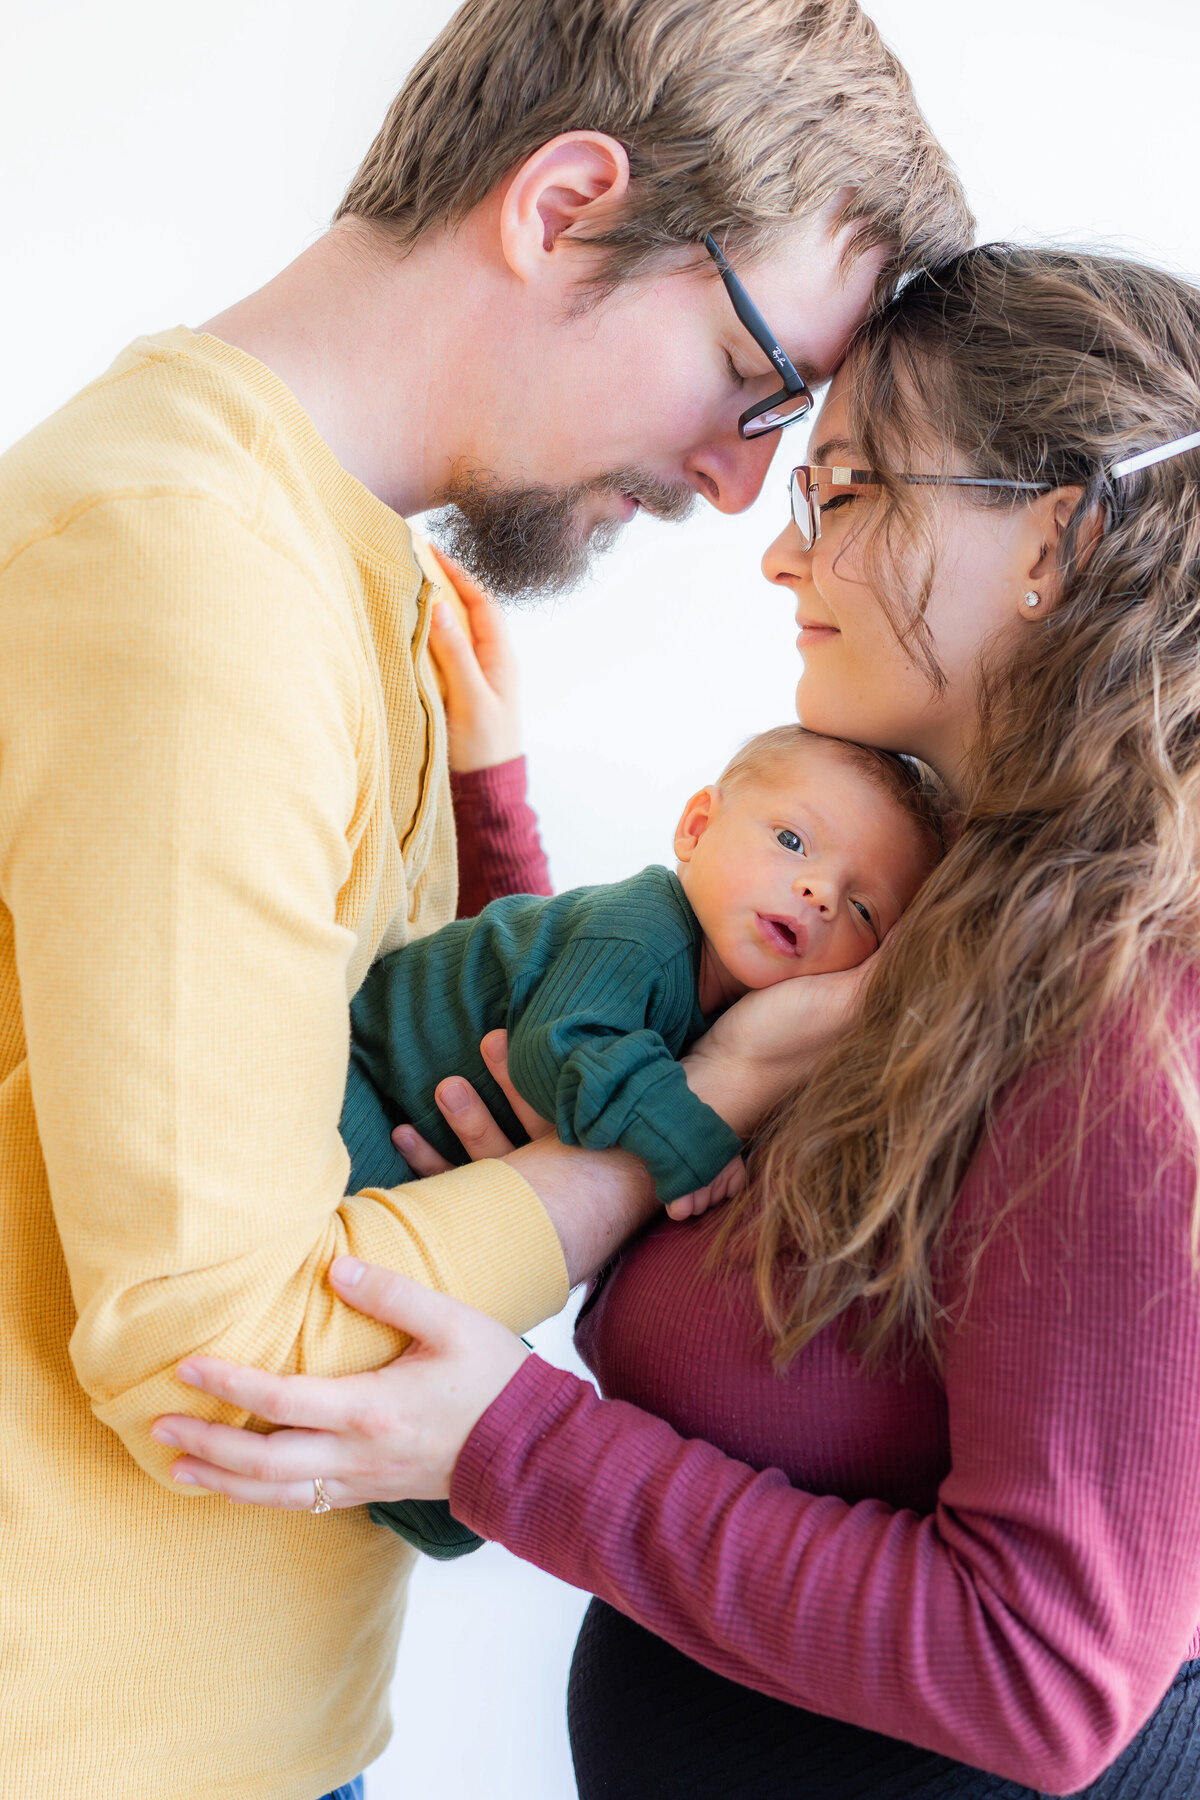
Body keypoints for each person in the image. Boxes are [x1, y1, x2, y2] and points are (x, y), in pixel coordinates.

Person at [0, 0, 971, 1792]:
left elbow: (394, 1105)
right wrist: (698, 1113)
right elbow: (233, 1357)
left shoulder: (337, 567)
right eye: (757, 387)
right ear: (566, 203)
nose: (741, 486)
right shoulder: (192, 583)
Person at [159, 243, 1200, 1800]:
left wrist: (504, 1445)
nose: (782, 560)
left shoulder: (1136, 1016)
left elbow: (1045, 1674)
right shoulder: (948, 918)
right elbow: (657, 1051)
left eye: (842, 491)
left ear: (1052, 534)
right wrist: (490, 806)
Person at [346, 717, 944, 1557]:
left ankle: (402, 1499)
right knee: (364, 1344)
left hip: (419, 1162)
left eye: (862, 907)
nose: (817, 891)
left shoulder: (738, 1012)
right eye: (791, 839)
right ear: (696, 828)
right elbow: (564, 1050)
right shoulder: (646, 926)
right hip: (355, 1085)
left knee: (457, 1483)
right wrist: (700, 1141)